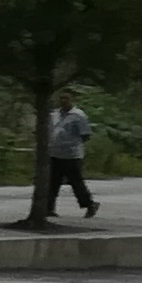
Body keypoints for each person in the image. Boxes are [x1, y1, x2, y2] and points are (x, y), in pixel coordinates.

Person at [41, 89, 95, 217]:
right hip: (54, 153)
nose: (63, 101)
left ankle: (89, 204)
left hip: (71, 155)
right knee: (53, 182)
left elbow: (85, 134)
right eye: (61, 98)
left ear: (72, 100)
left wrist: (71, 143)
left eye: (66, 98)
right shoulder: (54, 115)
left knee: (76, 181)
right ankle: (49, 208)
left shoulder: (78, 115)